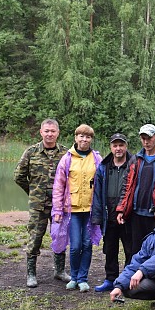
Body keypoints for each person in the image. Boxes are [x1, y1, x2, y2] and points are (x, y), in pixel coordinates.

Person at [14, 118, 69, 288]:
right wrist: (32, 193)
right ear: (41, 132)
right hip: (38, 206)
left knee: (60, 237)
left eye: (53, 131)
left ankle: (59, 271)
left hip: (58, 206)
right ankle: (31, 274)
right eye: (47, 131)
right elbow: (19, 176)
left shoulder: (66, 153)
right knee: (35, 238)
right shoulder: (31, 152)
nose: (50, 134)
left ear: (58, 133)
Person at [51, 124, 103, 292]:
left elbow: (101, 185)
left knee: (87, 244)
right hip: (72, 210)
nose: (84, 139)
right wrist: (58, 210)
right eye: (81, 136)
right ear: (75, 138)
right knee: (75, 245)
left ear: (91, 140)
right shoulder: (67, 159)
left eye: (87, 137)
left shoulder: (96, 159)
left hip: (90, 210)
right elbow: (59, 186)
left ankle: (83, 278)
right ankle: (73, 277)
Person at [115, 124, 155, 266]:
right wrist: (121, 209)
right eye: (143, 138)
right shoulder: (135, 159)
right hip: (136, 213)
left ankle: (152, 283)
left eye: (149, 138)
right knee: (134, 250)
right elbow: (126, 186)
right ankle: (129, 282)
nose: (146, 141)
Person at [91, 133, 133, 292]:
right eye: (115, 145)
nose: (118, 149)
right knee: (110, 248)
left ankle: (128, 279)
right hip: (109, 215)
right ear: (111, 147)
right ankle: (110, 279)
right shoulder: (103, 166)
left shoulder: (133, 163)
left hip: (128, 215)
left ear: (126, 146)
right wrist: (97, 216)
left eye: (121, 145)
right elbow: (97, 193)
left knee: (130, 249)